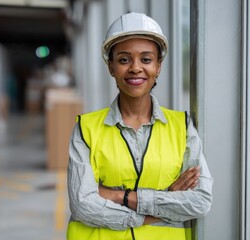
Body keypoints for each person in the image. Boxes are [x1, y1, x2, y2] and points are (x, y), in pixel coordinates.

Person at [66, 12, 213, 240]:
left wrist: (120, 197)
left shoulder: (182, 127)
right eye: (124, 59)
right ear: (111, 67)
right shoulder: (86, 128)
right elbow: (82, 205)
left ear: (158, 66)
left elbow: (200, 201)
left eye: (146, 59)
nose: (135, 68)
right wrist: (162, 204)